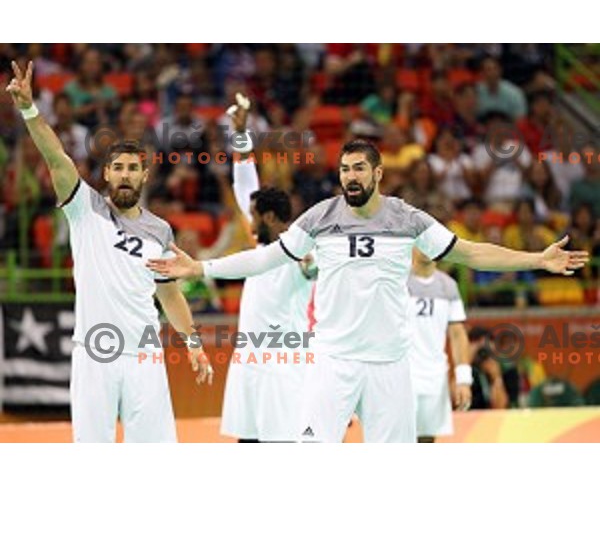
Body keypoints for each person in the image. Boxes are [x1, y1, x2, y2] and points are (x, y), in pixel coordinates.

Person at [148, 139, 589, 443]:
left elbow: (469, 253)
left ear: (377, 172)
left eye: (359, 168)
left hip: (389, 364)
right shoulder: (320, 217)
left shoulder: (408, 219)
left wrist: (536, 259)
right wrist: (201, 267)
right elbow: (267, 257)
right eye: (344, 169)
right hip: (332, 361)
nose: (350, 176)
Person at [6, 60, 212, 443]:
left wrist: (195, 345)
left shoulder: (159, 230)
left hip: (145, 357)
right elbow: (56, 158)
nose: (125, 174)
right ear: (107, 175)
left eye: (133, 167)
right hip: (95, 355)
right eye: (117, 167)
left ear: (144, 175)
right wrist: (30, 109)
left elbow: (169, 294)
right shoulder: (85, 208)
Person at [221, 93, 316, 442]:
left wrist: (312, 264)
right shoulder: (260, 246)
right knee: (248, 442)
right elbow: (243, 182)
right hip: (249, 363)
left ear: (271, 218)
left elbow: (317, 272)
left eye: (255, 216)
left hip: (284, 366)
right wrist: (241, 134)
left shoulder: (303, 249)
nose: (249, 221)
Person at [408, 248, 472, 443]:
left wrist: (463, 380)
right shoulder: (395, 281)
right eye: (422, 243)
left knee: (426, 440)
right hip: (401, 374)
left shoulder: (449, 287)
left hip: (433, 376)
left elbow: (457, 334)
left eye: (432, 244)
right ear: (412, 247)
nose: (428, 249)